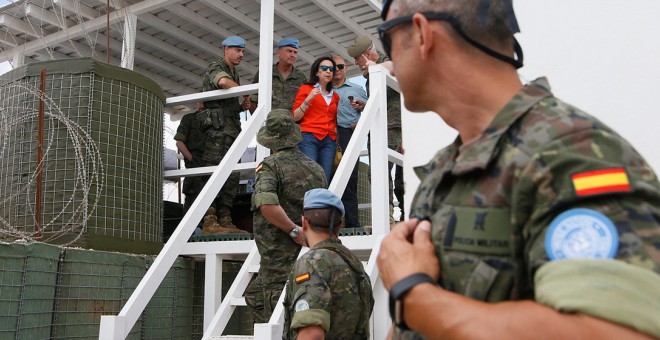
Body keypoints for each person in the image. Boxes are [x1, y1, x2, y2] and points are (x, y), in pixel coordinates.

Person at [376, 0, 660, 339]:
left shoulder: (571, 153)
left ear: (422, 33)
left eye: (387, 40)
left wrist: (414, 296)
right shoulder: (443, 170)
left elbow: (616, 332)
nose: (389, 62)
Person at [244, 109, 327, 324]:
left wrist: (293, 230)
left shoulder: (270, 165)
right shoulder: (316, 169)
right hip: (307, 254)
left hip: (277, 259)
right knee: (255, 295)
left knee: (276, 321)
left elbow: (267, 205)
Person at [283, 188, 374, 340]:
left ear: (304, 223)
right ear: (339, 226)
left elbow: (311, 334)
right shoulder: (354, 263)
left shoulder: (311, 263)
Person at [347, 35, 405, 223]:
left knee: (393, 176)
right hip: (382, 126)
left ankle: (397, 217)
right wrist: (365, 106)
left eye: (359, 61)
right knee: (382, 174)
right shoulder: (371, 74)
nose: (359, 66)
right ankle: (387, 218)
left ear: (368, 54)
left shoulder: (389, 66)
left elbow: (405, 88)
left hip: (394, 127)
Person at [199, 35, 251, 234]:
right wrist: (245, 90)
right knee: (214, 173)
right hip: (217, 133)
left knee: (231, 177)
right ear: (226, 49)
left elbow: (226, 105)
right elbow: (221, 83)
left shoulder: (234, 73)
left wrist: (241, 106)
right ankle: (209, 220)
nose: (241, 54)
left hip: (231, 131)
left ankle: (225, 218)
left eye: (243, 51)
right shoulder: (217, 67)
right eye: (238, 50)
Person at [331, 55, 368, 228]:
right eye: (333, 66)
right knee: (327, 179)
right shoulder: (322, 89)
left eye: (340, 66)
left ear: (346, 68)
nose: (336, 70)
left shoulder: (357, 88)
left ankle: (352, 225)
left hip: (348, 135)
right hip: (326, 136)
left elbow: (370, 111)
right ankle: (328, 225)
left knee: (350, 180)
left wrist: (360, 121)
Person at [292, 56, 340, 181]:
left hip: (329, 141)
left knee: (325, 178)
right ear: (316, 72)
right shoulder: (306, 89)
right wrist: (308, 99)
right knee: (310, 177)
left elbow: (334, 121)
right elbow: (295, 117)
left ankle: (322, 201)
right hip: (309, 138)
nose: (328, 71)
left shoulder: (335, 96)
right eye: (324, 68)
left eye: (331, 69)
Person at [249, 38, 308, 113]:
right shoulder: (266, 73)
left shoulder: (301, 77)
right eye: (289, 51)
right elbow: (253, 99)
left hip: (293, 122)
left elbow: (305, 102)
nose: (293, 55)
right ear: (279, 53)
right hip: (270, 122)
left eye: (295, 52)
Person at [174, 103, 207, 214]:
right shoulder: (189, 119)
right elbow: (179, 142)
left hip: (211, 162)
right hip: (195, 164)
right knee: (192, 204)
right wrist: (191, 159)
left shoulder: (215, 119)